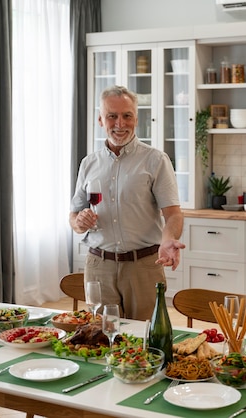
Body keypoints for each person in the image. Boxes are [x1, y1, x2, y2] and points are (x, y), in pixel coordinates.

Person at [69, 85, 185, 320]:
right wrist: (79, 221)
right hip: (98, 266)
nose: (119, 123)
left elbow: (173, 214)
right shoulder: (88, 164)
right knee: (101, 342)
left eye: (126, 116)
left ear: (136, 119)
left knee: (145, 343)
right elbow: (74, 215)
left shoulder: (155, 160)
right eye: (112, 116)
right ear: (101, 119)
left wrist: (168, 240)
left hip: (143, 266)